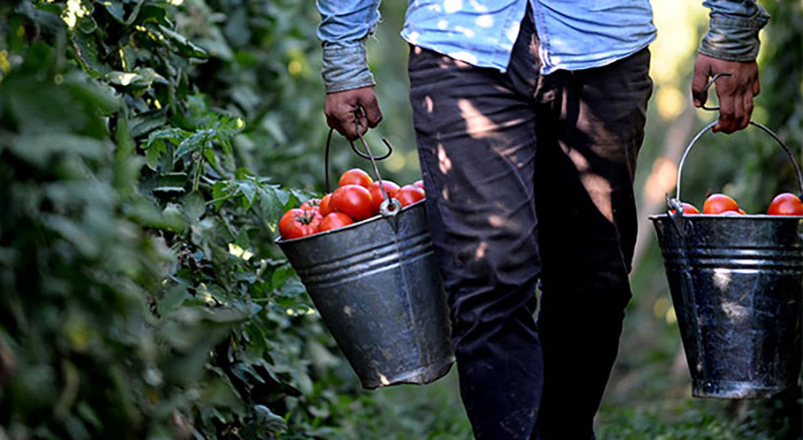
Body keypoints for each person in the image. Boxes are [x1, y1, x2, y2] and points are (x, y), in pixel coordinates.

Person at [315, 1, 769, 439]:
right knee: (485, 273)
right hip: (459, 44)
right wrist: (344, 54)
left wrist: (730, 26)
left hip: (602, 43)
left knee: (595, 282)